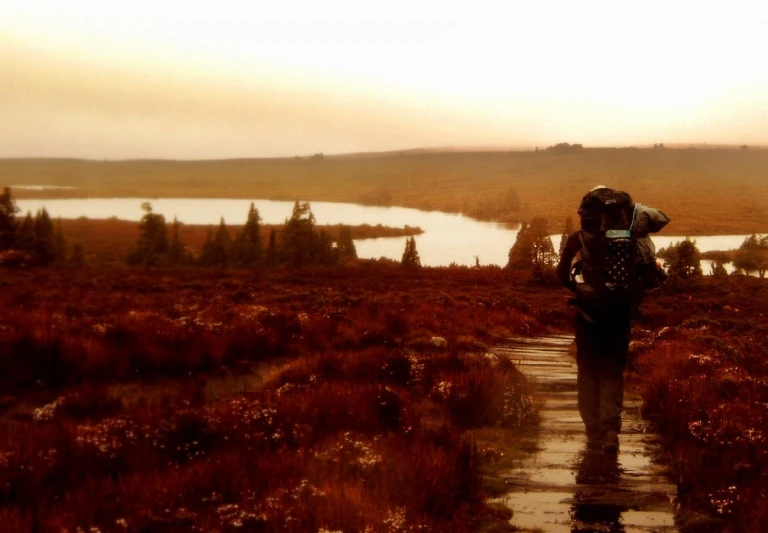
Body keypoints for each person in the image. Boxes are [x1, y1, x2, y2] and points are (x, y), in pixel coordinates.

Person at [556, 186, 669, 453]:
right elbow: (649, 279)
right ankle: (610, 433)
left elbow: (560, 275)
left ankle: (592, 428)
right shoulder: (631, 241)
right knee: (612, 371)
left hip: (587, 315)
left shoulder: (578, 238)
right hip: (619, 315)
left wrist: (577, 287)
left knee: (587, 370)